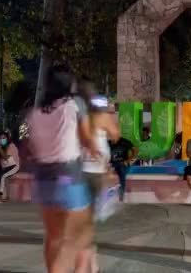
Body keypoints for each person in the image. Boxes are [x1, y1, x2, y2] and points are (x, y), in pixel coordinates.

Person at [25, 65, 97, 273]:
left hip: (42, 180)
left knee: (54, 237)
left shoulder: (36, 112)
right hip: (68, 177)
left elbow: (32, 146)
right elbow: (87, 140)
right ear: (68, 85)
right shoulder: (74, 105)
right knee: (82, 235)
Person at [79, 87, 120, 273]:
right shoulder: (102, 118)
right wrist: (111, 116)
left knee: (84, 221)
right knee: (88, 223)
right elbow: (116, 135)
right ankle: (90, 265)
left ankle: (89, 264)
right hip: (96, 174)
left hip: (79, 173)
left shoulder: (83, 119)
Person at [109, 136, 138, 201]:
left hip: (122, 163)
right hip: (111, 164)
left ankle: (121, 198)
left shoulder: (124, 141)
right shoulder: (108, 142)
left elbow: (135, 150)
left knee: (121, 178)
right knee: (110, 178)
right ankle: (111, 195)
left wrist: (129, 160)